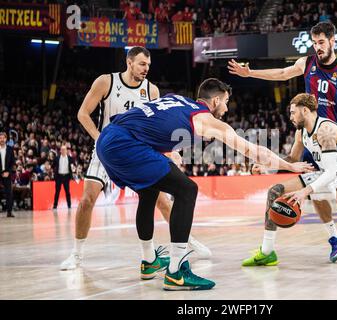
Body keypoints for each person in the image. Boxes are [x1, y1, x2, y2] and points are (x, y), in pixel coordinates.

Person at [96, 78, 313, 290]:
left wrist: (168, 150)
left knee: (149, 191)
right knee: (187, 189)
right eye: (226, 102)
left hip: (107, 138)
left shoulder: (176, 99)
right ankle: (176, 271)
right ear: (216, 100)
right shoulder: (205, 120)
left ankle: (149, 260)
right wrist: (289, 166)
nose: (227, 108)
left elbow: (151, 123)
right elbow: (252, 150)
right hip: (125, 145)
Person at [228, 21, 337, 262]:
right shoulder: (307, 63)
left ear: (332, 41)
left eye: (321, 42)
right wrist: (250, 72)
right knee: (313, 186)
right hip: (310, 135)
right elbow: (282, 74)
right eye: (314, 43)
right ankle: (335, 238)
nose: (317, 47)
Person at [60, 46, 211, 271]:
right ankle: (77, 254)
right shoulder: (106, 82)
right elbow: (83, 113)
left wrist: (171, 151)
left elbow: (158, 127)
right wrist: (100, 139)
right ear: (129, 62)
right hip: (108, 148)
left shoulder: (152, 90)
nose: (146, 69)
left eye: (148, 65)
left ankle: (186, 241)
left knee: (161, 200)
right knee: (87, 200)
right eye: (142, 64)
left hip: (139, 152)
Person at [244, 93, 337, 274]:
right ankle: (267, 252)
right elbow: (292, 159)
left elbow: (333, 172)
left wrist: (305, 192)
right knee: (275, 191)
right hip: (326, 172)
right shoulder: (301, 133)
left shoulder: (325, 131)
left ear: (305, 110)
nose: (291, 117)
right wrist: (267, 167)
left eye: (293, 113)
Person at [52, 145, 73, 209]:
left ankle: (69, 205)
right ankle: (55, 205)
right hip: (59, 177)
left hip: (66, 177)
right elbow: (53, 165)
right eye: (62, 150)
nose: (63, 151)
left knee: (67, 192)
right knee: (57, 192)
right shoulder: (57, 158)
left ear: (66, 150)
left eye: (64, 149)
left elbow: (72, 167)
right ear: (60, 151)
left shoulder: (70, 158)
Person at [0, 132, 15, 217]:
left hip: (7, 173)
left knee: (9, 193)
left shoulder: (10, 149)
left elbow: (12, 163)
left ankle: (9, 212)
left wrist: (8, 172)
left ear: (6, 139)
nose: (1, 139)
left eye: (3, 138)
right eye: (0, 138)